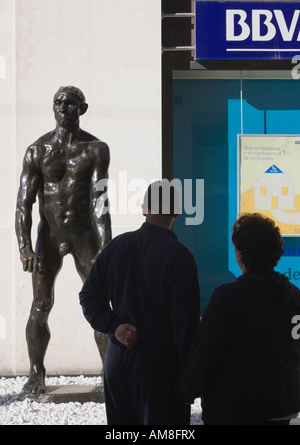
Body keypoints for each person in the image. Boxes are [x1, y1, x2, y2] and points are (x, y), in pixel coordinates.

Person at [15, 86, 112, 396]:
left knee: (100, 305)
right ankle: (35, 373)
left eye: (70, 103)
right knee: (41, 304)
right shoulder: (37, 151)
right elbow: (23, 204)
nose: (62, 107)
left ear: (81, 108)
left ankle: (109, 374)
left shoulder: (96, 149)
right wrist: (24, 247)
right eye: (58, 102)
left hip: (84, 235)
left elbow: (100, 202)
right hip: (50, 235)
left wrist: (108, 247)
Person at [79, 180, 201, 425]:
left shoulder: (117, 246)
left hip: (117, 358)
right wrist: (190, 378)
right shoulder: (179, 256)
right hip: (159, 366)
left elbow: (89, 297)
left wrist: (115, 326)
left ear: (144, 209)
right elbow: (185, 325)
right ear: (177, 211)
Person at [176, 212, 300, 425]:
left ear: (240, 253)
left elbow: (205, 351)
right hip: (282, 407)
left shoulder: (227, 297)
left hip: (234, 410)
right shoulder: (294, 295)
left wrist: (185, 391)